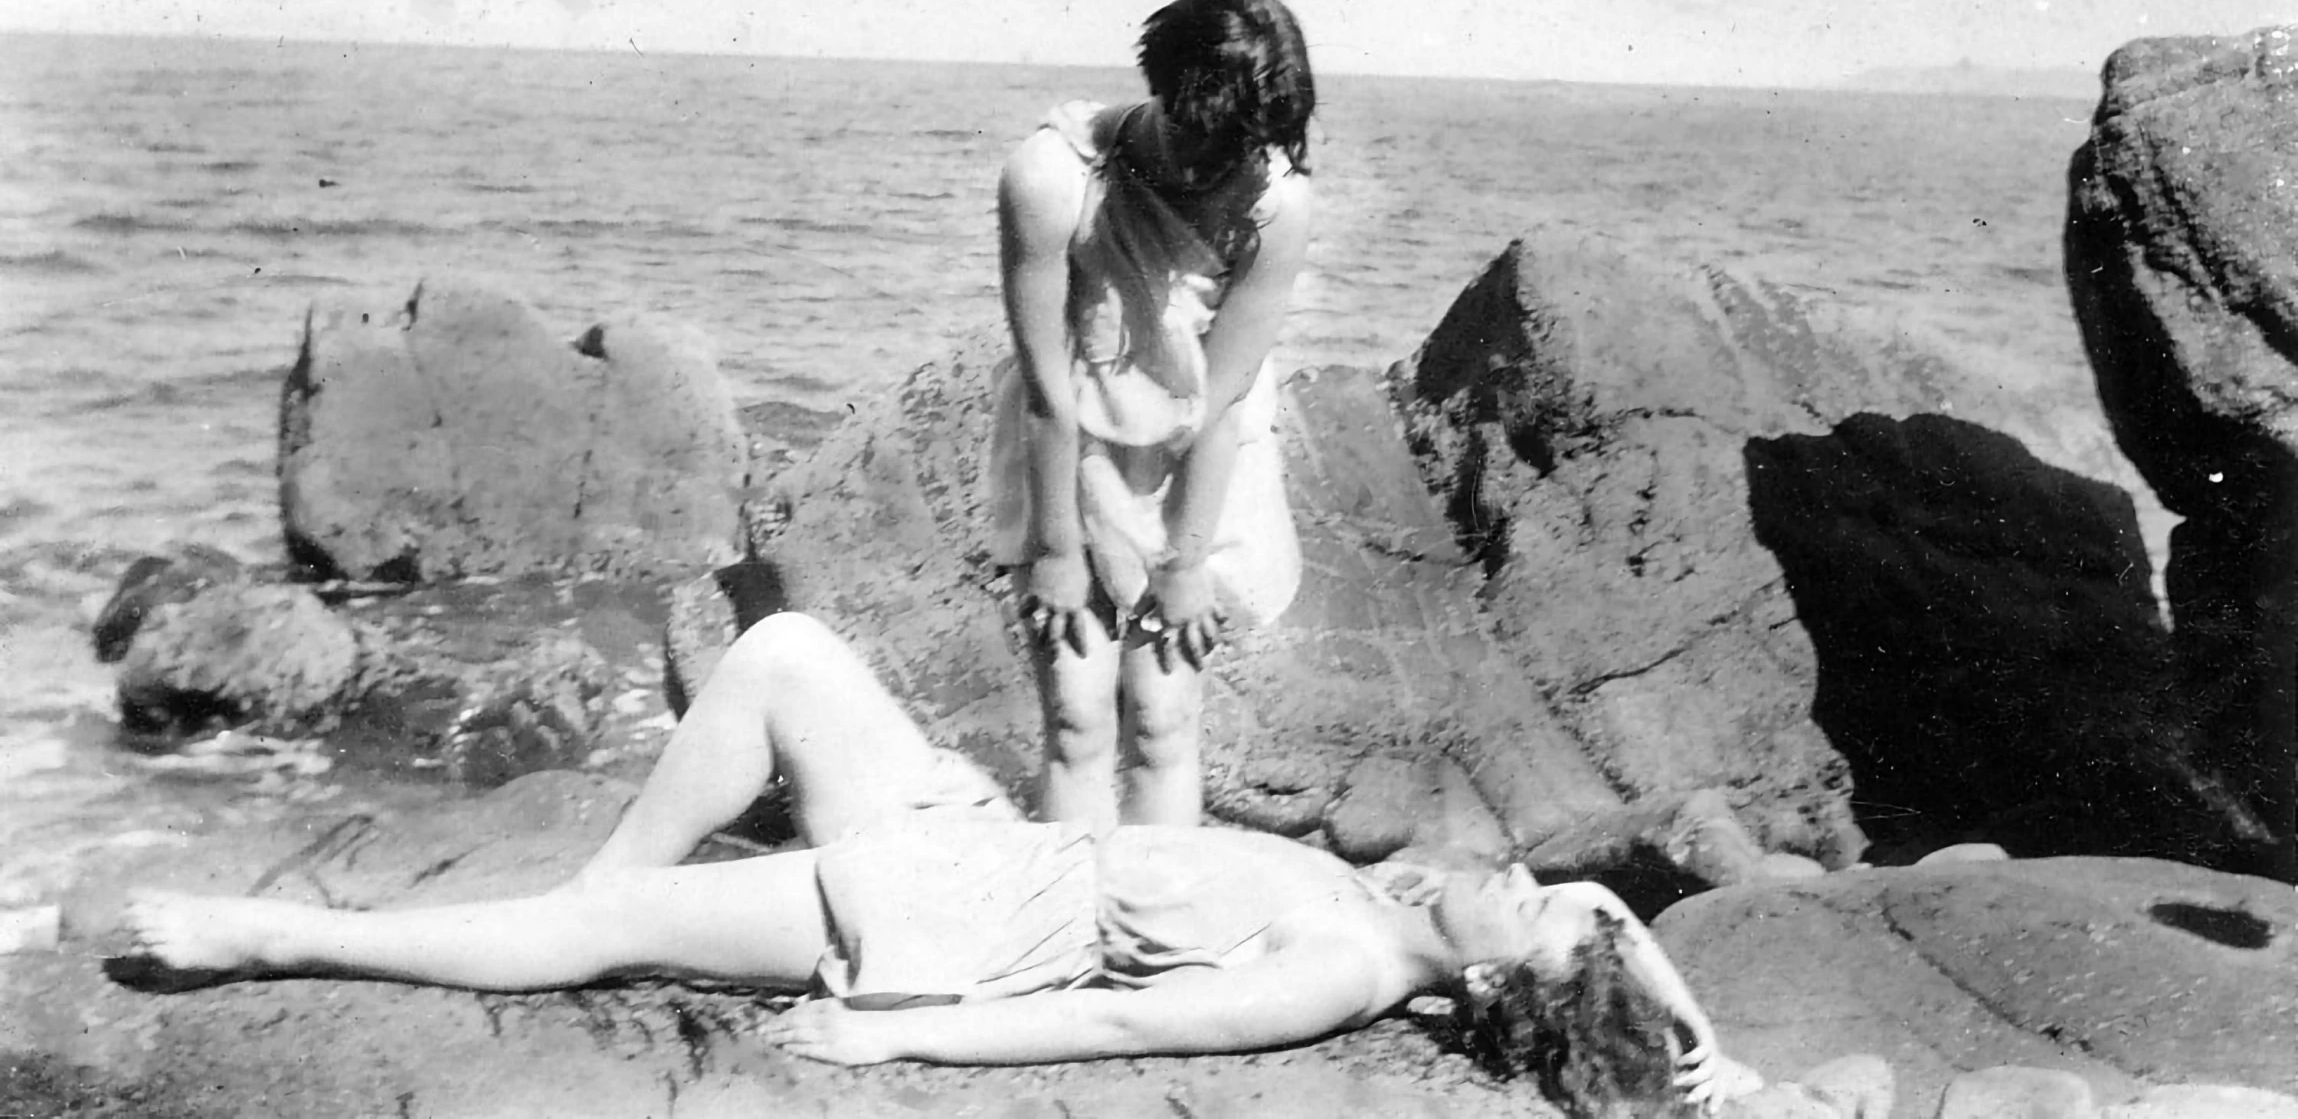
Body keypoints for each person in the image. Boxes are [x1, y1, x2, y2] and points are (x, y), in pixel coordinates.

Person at [110, 613, 1732, 1117]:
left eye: (1518, 906)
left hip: (938, 919)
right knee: (785, 645)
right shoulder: (1458, 924)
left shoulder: (1344, 965)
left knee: (605, 929)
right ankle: (584, 904)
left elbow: (1111, 1032)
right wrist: (1703, 1056)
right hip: (983, 837)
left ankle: (254, 938)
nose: (1531, 879)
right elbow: (1596, 923)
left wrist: (896, 1036)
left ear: (1485, 981)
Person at [990, 0, 1316, 833]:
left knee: (1165, 718)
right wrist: (1057, 548)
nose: (1223, 172)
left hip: (1200, 454)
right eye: (1205, 144)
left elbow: (1226, 397)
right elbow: (1046, 390)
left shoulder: (1274, 203)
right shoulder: (1054, 175)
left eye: (1246, 151)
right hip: (1073, 449)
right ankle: (1061, 931)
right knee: (1076, 712)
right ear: (1162, 88)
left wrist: (1184, 564)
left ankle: (1157, 936)